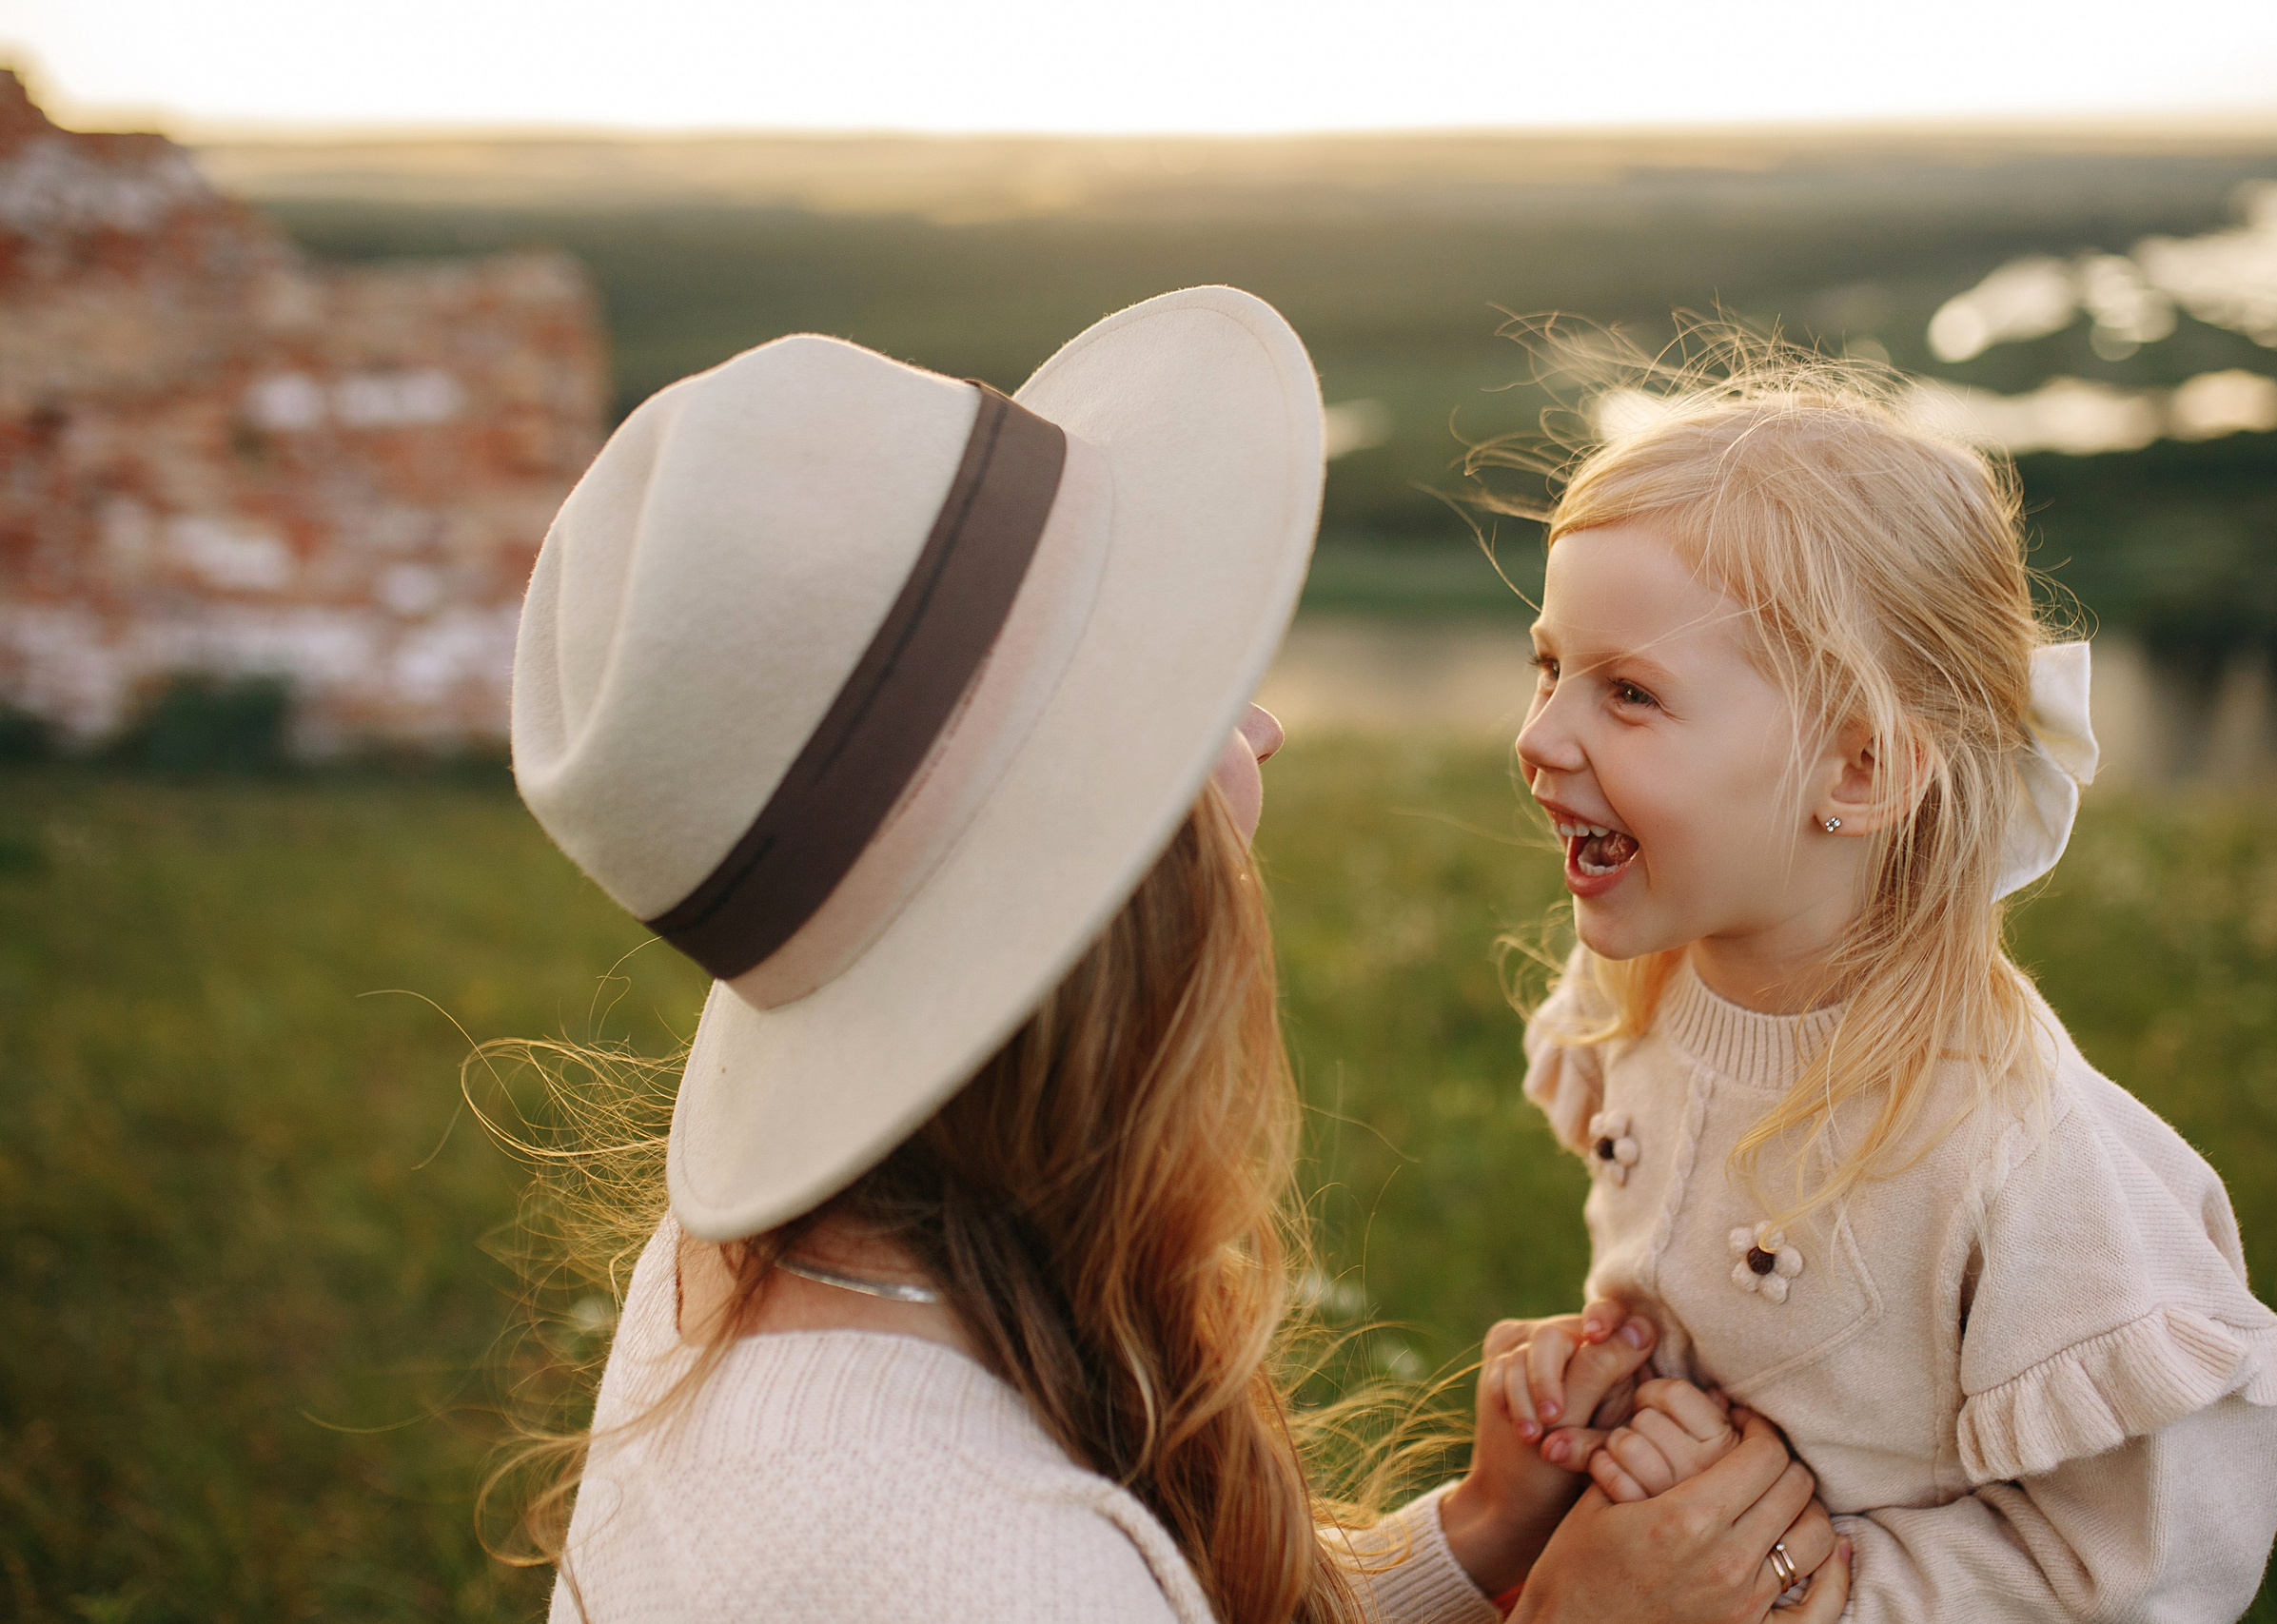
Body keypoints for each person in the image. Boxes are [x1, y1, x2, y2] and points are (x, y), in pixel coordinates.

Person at [505, 287, 1851, 1623]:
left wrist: (1477, 1534)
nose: (1258, 733)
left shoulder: (737, 1280)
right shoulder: (984, 1564)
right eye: (1177, 703)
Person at [1501, 340, 2277, 1620]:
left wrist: (1821, 1591)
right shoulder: (1649, 993)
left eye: (1628, 692)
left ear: (1861, 774)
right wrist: (1607, 1387)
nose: (1538, 735)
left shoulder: (2017, 1160)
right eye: (1547, 665)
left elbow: (2152, 1572)